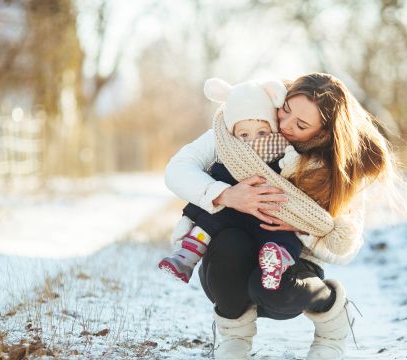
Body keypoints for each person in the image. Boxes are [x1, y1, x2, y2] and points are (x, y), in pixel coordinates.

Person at [164, 73, 394, 359]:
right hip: (233, 256)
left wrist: (301, 224)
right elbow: (177, 169)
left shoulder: (334, 168)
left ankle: (333, 320)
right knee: (228, 246)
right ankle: (234, 338)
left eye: (300, 124)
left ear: (323, 133)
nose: (284, 126)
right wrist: (224, 195)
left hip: (288, 266)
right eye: (285, 112)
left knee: (270, 288)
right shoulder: (244, 123)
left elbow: (345, 249)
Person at [159, 77, 303, 290]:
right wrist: (223, 194)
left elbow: (298, 173)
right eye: (243, 134)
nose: (252, 140)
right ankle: (186, 257)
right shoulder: (224, 145)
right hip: (230, 218)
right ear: (232, 132)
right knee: (209, 221)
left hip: (270, 215)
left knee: (279, 236)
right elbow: (177, 169)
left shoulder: (285, 147)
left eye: (262, 133)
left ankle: (275, 263)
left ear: (272, 129)